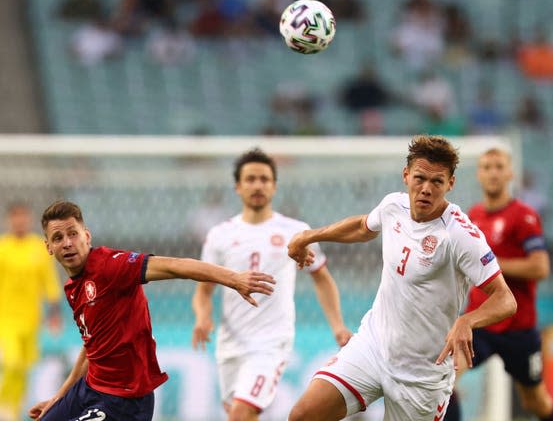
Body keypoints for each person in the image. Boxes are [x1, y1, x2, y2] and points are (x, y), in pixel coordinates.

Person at [286, 135, 517, 421]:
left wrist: (467, 320)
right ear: (406, 175)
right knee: (303, 415)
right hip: (373, 346)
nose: (426, 189)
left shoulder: (460, 235)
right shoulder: (393, 206)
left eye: (437, 182)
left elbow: (506, 299)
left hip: (422, 373)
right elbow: (362, 227)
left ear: (451, 184)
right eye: (420, 178)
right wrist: (310, 235)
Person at [28, 200, 276, 421]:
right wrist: (58, 399)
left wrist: (233, 279)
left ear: (87, 236)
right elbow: (92, 344)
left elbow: (175, 266)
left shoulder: (111, 267)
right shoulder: (74, 286)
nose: (68, 243)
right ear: (48, 246)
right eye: (58, 238)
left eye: (73, 234)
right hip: (90, 388)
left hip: (124, 401)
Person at [192, 148, 352, 421]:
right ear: (238, 187)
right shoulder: (220, 235)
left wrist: (338, 326)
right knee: (241, 415)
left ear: (274, 186)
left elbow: (321, 277)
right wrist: (203, 317)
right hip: (230, 343)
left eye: (264, 179)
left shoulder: (296, 231)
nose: (258, 185)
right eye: (251, 179)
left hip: (271, 342)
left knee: (241, 414)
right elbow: (203, 291)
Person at [443, 148, 553, 421]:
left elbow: (540, 267)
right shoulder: (472, 217)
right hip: (480, 323)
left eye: (499, 166)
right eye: (487, 167)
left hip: (518, 326)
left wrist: (492, 263)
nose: (493, 173)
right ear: (478, 174)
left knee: (534, 400)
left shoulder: (523, 216)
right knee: (443, 379)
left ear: (510, 173)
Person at [0, 202, 62, 421]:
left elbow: (50, 282)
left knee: (24, 368)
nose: (20, 222)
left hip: (31, 320)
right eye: (15, 217)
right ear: (9, 220)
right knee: (12, 362)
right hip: (5, 320)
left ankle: (11, 414)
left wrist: (55, 313)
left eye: (23, 217)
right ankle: (4, 406)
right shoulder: (3, 248)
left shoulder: (38, 248)